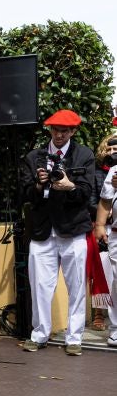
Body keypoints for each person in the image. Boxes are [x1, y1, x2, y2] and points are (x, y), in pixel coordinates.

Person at [18, 110, 95, 356]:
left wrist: (69, 185)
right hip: (42, 230)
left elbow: (86, 193)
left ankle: (74, 338)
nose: (59, 134)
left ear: (73, 131)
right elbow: (24, 194)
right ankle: (39, 334)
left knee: (76, 287)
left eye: (64, 130)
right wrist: (40, 185)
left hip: (73, 229)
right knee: (39, 285)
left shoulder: (84, 155)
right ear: (49, 130)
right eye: (55, 130)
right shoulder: (34, 156)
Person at [89, 133, 117, 330]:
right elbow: (97, 200)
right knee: (107, 274)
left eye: (116, 149)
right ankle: (103, 318)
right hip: (107, 231)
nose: (113, 153)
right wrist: (101, 221)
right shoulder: (102, 172)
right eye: (109, 149)